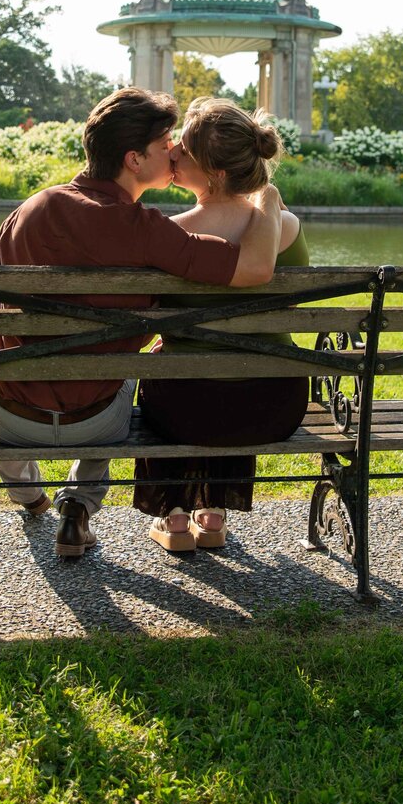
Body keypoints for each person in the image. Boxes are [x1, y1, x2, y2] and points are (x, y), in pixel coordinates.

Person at [0, 87, 283, 558]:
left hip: (11, 418)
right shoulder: (150, 231)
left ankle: (28, 494)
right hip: (96, 422)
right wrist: (266, 195)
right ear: (135, 159)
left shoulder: (28, 211)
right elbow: (255, 268)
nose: (174, 150)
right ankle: (78, 504)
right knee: (118, 376)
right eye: (165, 145)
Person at [134, 99, 310, 552]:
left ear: (214, 172)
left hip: (185, 410)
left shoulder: (169, 233)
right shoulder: (286, 227)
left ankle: (173, 519)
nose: (172, 155)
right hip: (275, 407)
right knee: (246, 368)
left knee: (174, 376)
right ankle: (212, 515)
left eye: (184, 152)